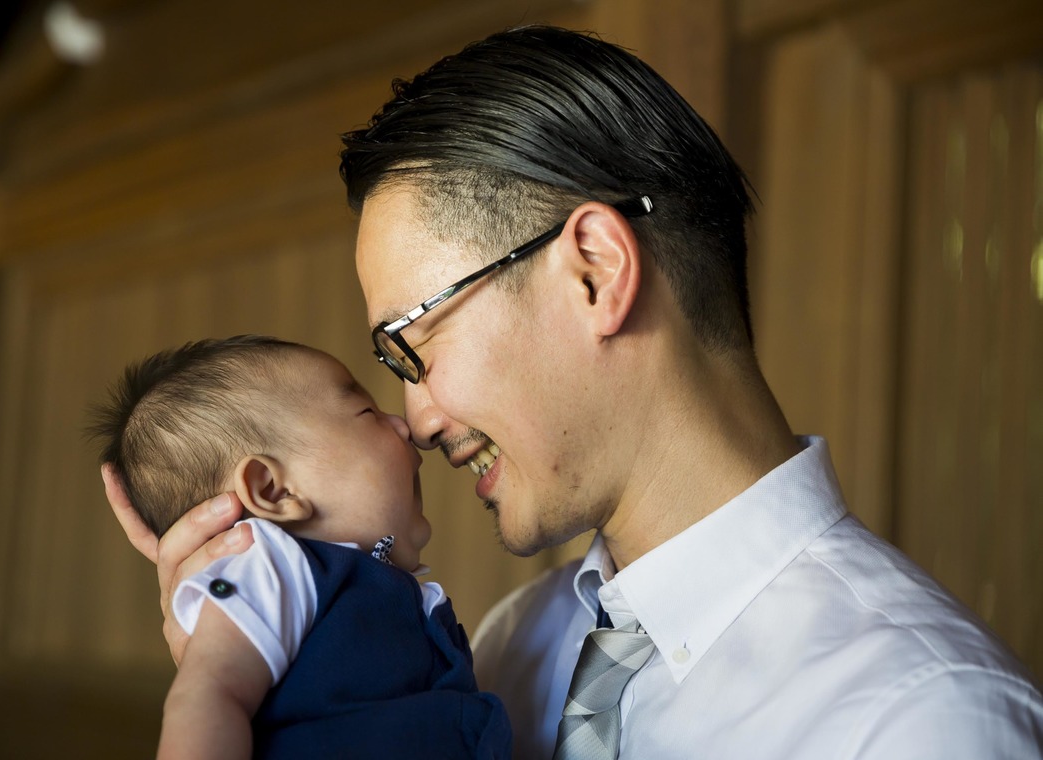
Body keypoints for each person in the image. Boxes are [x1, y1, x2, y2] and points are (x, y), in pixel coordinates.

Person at [104, 25, 1043, 760]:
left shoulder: (921, 720)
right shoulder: (507, 649)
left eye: (415, 341)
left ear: (594, 272)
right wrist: (245, 662)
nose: (420, 420)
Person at [90, 335, 510, 760]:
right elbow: (203, 697)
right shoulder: (267, 566)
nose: (405, 426)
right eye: (366, 412)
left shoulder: (375, 584)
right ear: (272, 490)